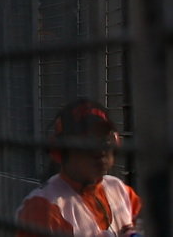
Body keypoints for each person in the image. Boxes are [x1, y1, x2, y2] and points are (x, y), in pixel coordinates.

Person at [17, 98, 142, 236]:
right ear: (61, 150)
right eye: (87, 142)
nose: (100, 150)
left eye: (105, 140)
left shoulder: (121, 191)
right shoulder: (43, 208)